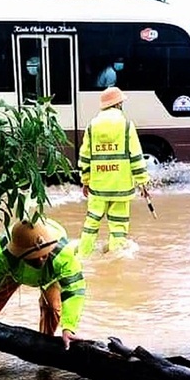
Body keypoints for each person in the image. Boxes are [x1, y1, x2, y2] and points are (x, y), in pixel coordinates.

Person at [0, 218, 86, 349]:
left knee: (52, 308)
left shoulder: (63, 254)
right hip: (13, 273)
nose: (40, 259)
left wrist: (69, 328)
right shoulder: (2, 254)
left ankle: (44, 348)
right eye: (34, 256)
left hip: (50, 276)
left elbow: (74, 290)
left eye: (44, 254)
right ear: (18, 253)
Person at [77, 86, 150, 258]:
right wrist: (142, 182)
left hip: (98, 187)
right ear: (118, 104)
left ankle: (83, 255)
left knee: (91, 223)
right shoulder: (126, 126)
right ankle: (117, 260)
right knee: (118, 226)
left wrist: (85, 180)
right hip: (121, 187)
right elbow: (136, 156)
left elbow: (85, 156)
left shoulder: (91, 126)